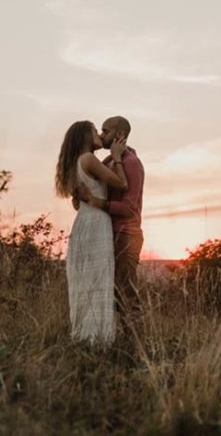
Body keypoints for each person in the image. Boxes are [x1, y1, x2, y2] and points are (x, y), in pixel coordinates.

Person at [55, 120, 128, 345]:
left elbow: (80, 199)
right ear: (86, 136)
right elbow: (121, 184)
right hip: (97, 223)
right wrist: (117, 157)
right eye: (96, 130)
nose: (100, 134)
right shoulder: (88, 159)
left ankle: (84, 338)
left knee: (85, 283)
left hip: (83, 224)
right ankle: (99, 340)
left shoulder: (76, 162)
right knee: (99, 280)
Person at [74, 116, 145, 333]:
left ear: (120, 134)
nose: (101, 135)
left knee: (126, 295)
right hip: (107, 235)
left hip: (126, 235)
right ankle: (112, 339)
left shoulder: (131, 163)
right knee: (109, 294)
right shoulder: (109, 161)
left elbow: (129, 209)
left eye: (106, 131)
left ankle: (137, 344)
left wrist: (95, 201)